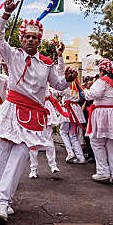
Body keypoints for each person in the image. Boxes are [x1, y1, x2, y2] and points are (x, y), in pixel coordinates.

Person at [0, 0, 77, 223]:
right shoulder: (13, 55)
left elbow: (58, 85)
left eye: (35, 38)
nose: (31, 40)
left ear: (40, 41)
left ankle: (3, 201)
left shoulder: (47, 64)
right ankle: (4, 202)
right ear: (22, 38)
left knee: (23, 152)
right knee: (4, 156)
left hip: (33, 115)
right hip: (11, 111)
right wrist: (6, 13)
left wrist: (67, 79)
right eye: (27, 37)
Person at [29, 44, 65, 178]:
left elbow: (60, 73)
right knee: (32, 141)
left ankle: (53, 165)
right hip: (32, 108)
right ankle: (33, 169)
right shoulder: (24, 66)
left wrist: (60, 56)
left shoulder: (46, 65)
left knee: (48, 138)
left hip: (46, 107)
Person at [58, 79, 86, 164]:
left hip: (68, 110)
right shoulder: (78, 87)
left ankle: (70, 152)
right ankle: (80, 157)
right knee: (73, 135)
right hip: (75, 110)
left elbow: (59, 92)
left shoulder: (67, 85)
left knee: (63, 131)